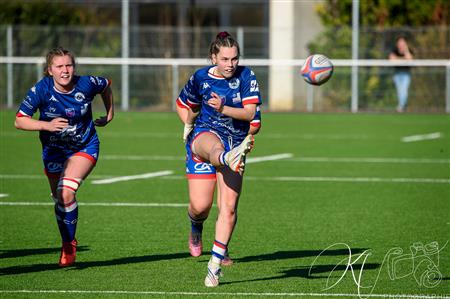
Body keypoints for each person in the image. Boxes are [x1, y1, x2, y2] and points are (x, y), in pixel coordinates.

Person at [175, 31, 262, 287]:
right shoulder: (200, 77)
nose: (230, 64)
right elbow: (183, 104)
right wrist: (187, 123)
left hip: (236, 141)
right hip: (206, 135)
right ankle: (195, 226)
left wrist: (223, 107)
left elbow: (249, 113)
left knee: (229, 207)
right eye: (225, 59)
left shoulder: (247, 75)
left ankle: (214, 266)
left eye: (234, 59)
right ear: (214, 57)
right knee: (200, 207)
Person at [14, 47, 114, 267]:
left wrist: (109, 113)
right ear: (50, 70)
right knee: (59, 198)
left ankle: (69, 245)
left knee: (65, 192)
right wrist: (45, 125)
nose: (65, 70)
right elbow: (20, 120)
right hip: (53, 151)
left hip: (84, 146)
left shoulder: (86, 83)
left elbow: (106, 84)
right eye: (59, 66)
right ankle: (67, 239)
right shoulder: (41, 90)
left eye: (68, 65)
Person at [389, 36, 414, 112]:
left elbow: (410, 59)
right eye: (399, 42)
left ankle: (401, 107)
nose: (401, 44)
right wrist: (404, 59)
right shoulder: (394, 50)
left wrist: (405, 50)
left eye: (402, 42)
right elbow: (391, 59)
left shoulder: (409, 50)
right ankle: (402, 106)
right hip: (397, 74)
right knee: (400, 91)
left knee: (404, 90)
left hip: (406, 74)